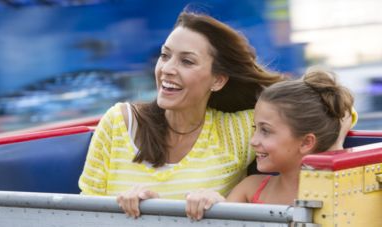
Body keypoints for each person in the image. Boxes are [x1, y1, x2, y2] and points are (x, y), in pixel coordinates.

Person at [78, 10, 283, 218]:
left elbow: (304, 120)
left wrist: (224, 206)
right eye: (165, 55)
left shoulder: (237, 131)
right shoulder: (117, 123)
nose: (167, 68)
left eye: (187, 61)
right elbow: (81, 216)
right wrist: (126, 212)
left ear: (218, 80)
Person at [185, 69, 355, 220]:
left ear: (306, 142)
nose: (253, 141)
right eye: (255, 128)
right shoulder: (249, 189)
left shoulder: (342, 192)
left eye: (265, 131)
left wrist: (336, 143)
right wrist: (213, 202)